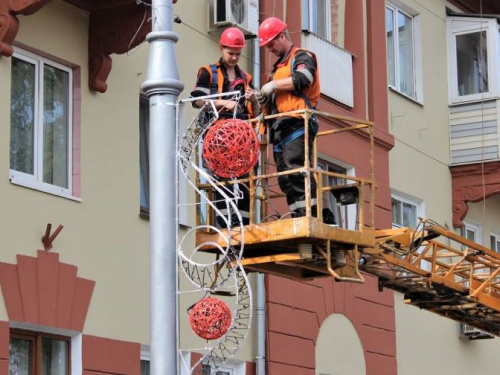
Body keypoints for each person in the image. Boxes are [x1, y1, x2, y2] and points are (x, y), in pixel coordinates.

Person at [190, 27, 260, 228]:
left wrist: (253, 99)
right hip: (218, 137)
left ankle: (243, 224)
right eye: (231, 53)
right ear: (221, 48)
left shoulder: (246, 78)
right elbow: (197, 100)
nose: (234, 57)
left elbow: (255, 111)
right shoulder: (208, 72)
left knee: (244, 181)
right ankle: (225, 223)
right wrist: (224, 103)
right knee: (223, 182)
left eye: (238, 54)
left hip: (242, 137)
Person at [257, 17, 321, 219]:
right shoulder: (278, 69)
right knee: (286, 178)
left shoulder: (302, 57)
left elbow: (304, 78)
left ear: (282, 37)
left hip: (297, 122)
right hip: (279, 127)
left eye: (271, 44)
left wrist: (273, 86)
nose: (270, 49)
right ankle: (298, 214)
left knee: (297, 170)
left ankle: (311, 215)